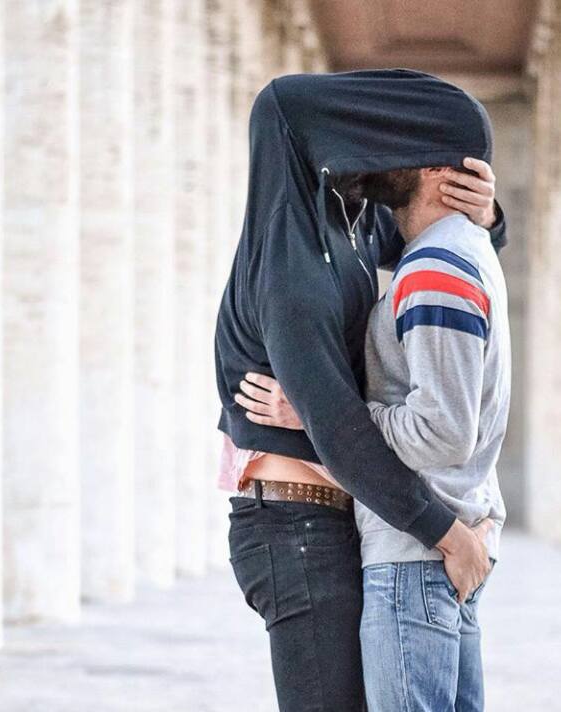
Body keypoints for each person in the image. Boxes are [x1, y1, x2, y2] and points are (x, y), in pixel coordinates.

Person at [214, 69, 506, 712]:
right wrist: (446, 534)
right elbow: (340, 431)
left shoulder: (341, 235)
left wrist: (483, 214)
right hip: (293, 526)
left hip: (335, 517)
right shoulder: (291, 271)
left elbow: (430, 236)